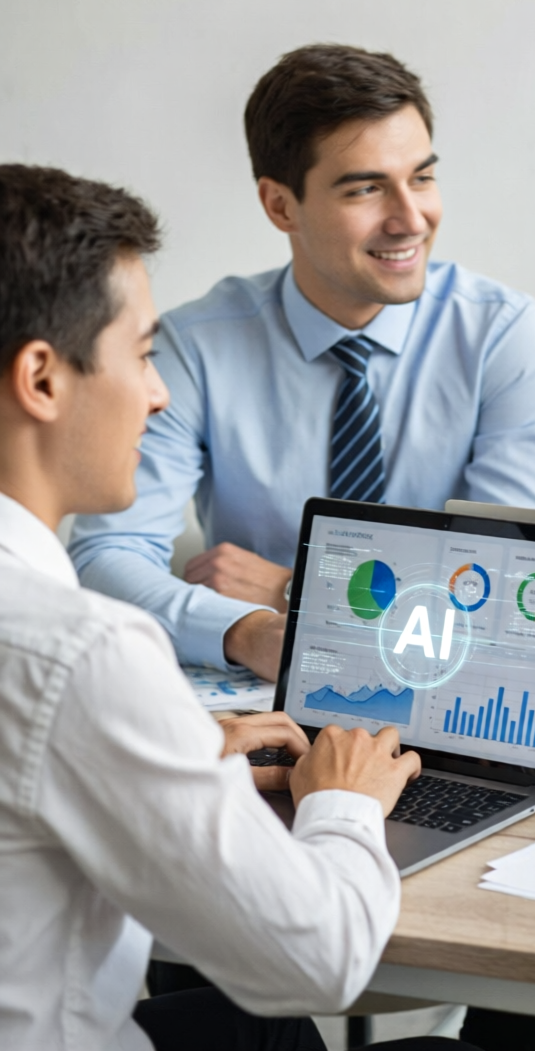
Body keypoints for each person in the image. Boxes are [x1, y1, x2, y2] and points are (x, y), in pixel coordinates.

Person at [0, 163, 480, 1050]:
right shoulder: (80, 654)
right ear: (42, 379)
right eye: (141, 355)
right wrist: (346, 802)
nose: (159, 393)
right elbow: (322, 959)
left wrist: (172, 753)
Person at [68, 43, 535, 684]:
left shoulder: (499, 333)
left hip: (454, 685)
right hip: (264, 694)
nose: (411, 219)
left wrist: (300, 589)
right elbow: (109, 553)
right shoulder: (194, 345)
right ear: (280, 206)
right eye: (366, 189)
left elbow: (520, 583)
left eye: (421, 177)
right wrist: (249, 631)